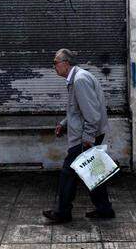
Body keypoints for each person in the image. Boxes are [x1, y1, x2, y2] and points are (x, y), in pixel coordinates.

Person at [43, 48, 115, 223]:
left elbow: (91, 113)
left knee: (68, 173)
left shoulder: (80, 80)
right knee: (94, 171)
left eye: (55, 63)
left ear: (66, 63)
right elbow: (77, 110)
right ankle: (105, 210)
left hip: (85, 136)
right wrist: (63, 124)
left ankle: (62, 212)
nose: (54, 67)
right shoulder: (77, 78)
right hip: (88, 133)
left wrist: (88, 137)